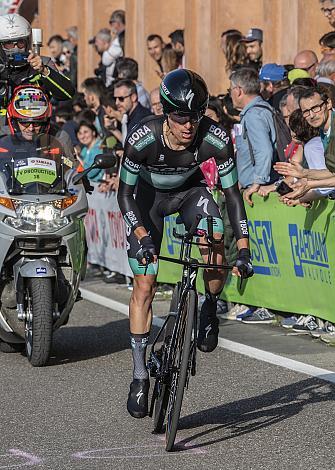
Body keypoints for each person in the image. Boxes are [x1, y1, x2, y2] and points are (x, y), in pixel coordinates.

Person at [117, 69, 253, 418]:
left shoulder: (217, 138)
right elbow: (125, 194)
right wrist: (143, 236)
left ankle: (209, 305)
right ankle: (138, 375)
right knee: (144, 283)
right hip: (147, 200)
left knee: (214, 233)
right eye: (180, 116)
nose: (188, 125)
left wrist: (244, 247)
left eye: (194, 116)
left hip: (190, 193)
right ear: (166, 111)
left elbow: (233, 195)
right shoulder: (142, 137)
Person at [274, 86, 335, 199]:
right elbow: (332, 173)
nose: (312, 115)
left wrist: (310, 185)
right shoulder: (324, 129)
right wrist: (304, 173)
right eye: (306, 112)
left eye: (316, 108)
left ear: (328, 104)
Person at [229, 67, 278, 207]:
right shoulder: (263, 109)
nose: (230, 95)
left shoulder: (254, 115)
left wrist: (257, 183)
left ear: (238, 91)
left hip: (259, 191)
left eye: (230, 90)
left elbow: (264, 150)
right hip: (256, 186)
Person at [0, 14, 74, 103]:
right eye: (8, 44)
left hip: (36, 115)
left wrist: (44, 70)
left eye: (20, 42)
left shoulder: (43, 63)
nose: (15, 48)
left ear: (28, 42)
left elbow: (68, 93)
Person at [113, 79, 152, 143]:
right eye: (115, 99)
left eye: (121, 98)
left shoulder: (142, 119)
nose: (117, 103)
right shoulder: (129, 116)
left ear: (133, 97)